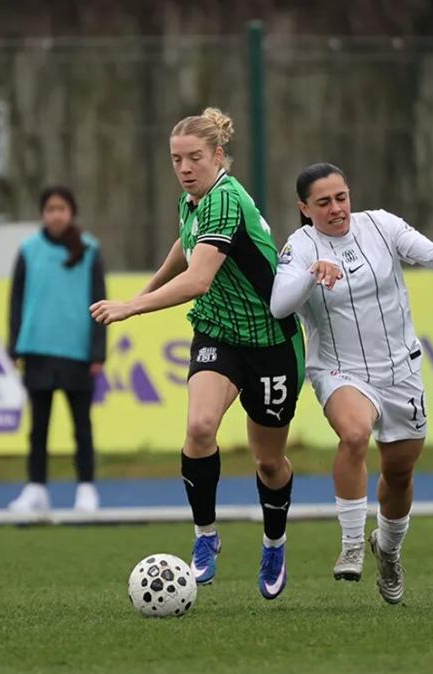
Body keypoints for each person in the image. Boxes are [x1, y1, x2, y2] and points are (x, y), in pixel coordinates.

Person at [270, 163, 433, 604]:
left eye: (341, 197)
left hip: (400, 369)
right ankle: (352, 544)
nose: (336, 208)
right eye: (323, 203)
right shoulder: (300, 247)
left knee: (399, 472)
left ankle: (389, 550)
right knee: (355, 434)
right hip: (339, 369)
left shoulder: (381, 225)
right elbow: (280, 306)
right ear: (304, 208)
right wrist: (309, 275)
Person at [91, 108, 304, 600]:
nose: (184, 168)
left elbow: (200, 277)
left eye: (194, 158)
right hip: (218, 333)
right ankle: (206, 536)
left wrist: (132, 307)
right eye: (176, 159)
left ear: (218, 156)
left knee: (268, 461)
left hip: (271, 342)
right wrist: (147, 288)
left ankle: (274, 542)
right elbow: (185, 248)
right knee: (200, 428)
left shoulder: (226, 200)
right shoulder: (193, 201)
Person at [6, 186, 106, 514]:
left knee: (81, 426)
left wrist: (97, 352)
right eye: (50, 208)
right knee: (38, 427)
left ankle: (86, 488)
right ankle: (36, 488)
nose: (56, 214)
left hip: (77, 351)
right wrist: (14, 344)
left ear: (72, 212)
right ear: (42, 213)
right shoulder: (28, 250)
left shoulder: (90, 250)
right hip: (37, 348)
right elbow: (17, 299)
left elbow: (99, 300)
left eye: (62, 208)